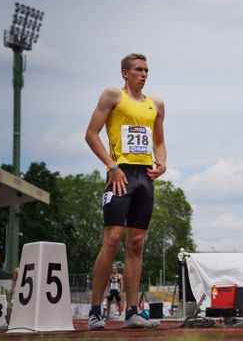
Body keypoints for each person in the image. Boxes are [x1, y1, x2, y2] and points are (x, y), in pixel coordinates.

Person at [85, 53, 167, 329]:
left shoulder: (156, 104)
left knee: (136, 243)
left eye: (146, 70)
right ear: (125, 73)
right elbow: (91, 135)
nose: (144, 74)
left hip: (145, 177)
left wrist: (163, 162)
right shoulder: (112, 96)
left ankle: (132, 312)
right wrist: (111, 166)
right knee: (112, 238)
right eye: (138, 70)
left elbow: (159, 141)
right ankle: (96, 311)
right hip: (120, 174)